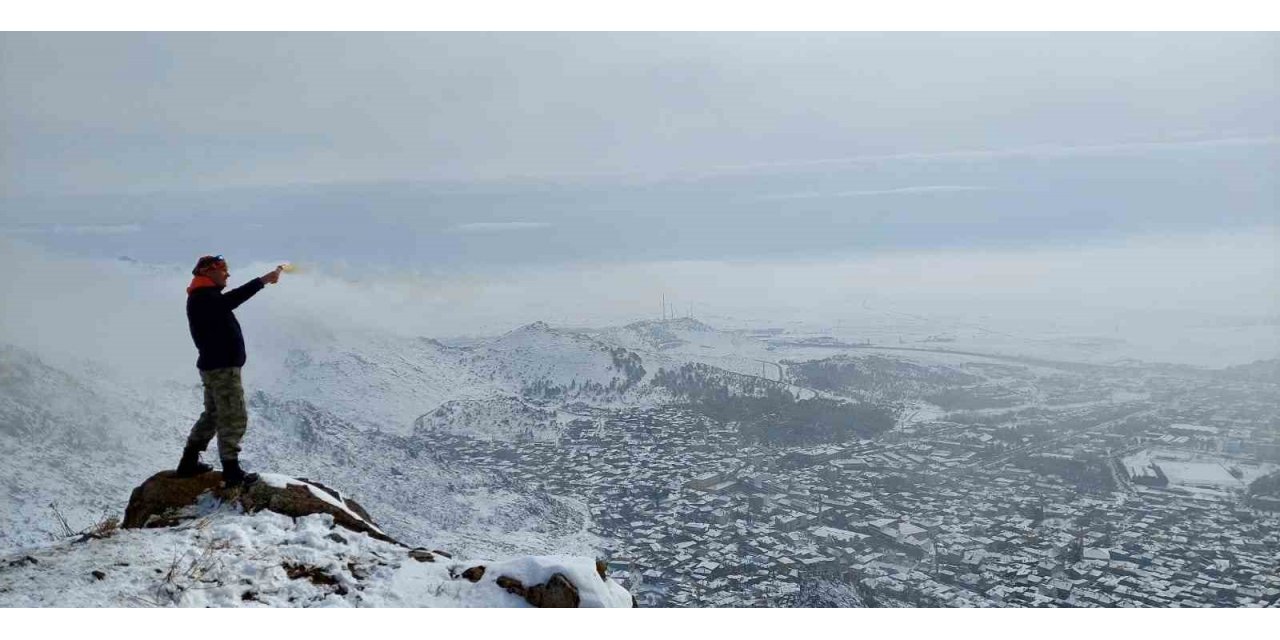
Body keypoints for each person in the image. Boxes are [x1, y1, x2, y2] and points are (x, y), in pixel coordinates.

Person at [175, 255, 284, 486]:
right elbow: (232, 300)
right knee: (233, 415)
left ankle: (188, 462)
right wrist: (262, 280)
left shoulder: (202, 296)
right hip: (222, 367)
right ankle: (232, 472)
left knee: (213, 415)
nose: (227, 274)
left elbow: (226, 302)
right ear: (207, 271)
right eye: (223, 270)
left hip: (214, 365)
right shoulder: (204, 298)